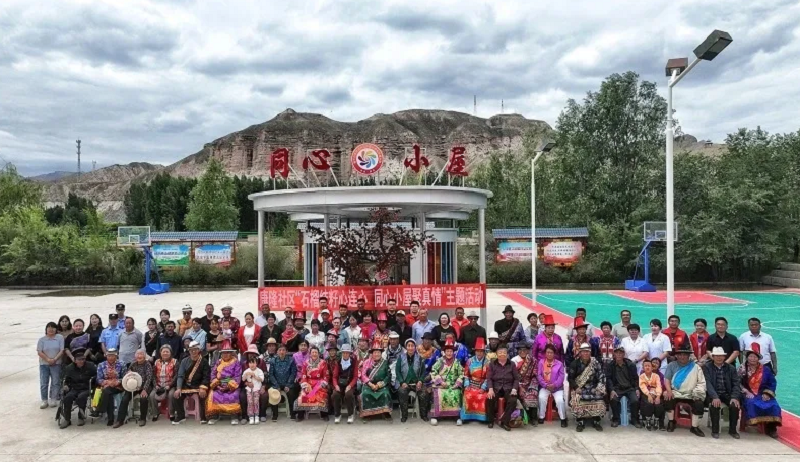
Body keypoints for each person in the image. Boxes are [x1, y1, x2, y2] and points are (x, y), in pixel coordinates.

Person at [738, 342, 781, 438]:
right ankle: (753, 421)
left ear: (758, 358)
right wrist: (746, 391)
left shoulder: (766, 369)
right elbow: (736, 382)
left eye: (755, 357)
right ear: (747, 357)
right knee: (752, 403)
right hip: (748, 393)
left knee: (773, 405)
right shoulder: (742, 368)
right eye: (750, 356)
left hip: (763, 393)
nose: (752, 359)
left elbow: (772, 383)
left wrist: (767, 393)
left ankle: (771, 428)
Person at [664, 340, 706, 437]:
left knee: (699, 404)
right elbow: (667, 380)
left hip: (691, 393)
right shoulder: (671, 365)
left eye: (684, 355)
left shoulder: (696, 367)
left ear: (688, 356)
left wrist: (697, 393)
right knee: (667, 398)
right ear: (677, 356)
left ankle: (694, 427)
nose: (682, 357)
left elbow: (701, 383)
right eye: (680, 355)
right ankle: (671, 422)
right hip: (676, 392)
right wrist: (669, 391)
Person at [703, 346, 742, 439]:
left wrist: (734, 397)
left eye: (721, 356)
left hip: (727, 393)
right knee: (715, 405)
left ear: (724, 357)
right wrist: (714, 396)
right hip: (712, 393)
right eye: (716, 356)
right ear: (713, 357)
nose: (719, 358)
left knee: (734, 405)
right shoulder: (707, 367)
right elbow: (707, 383)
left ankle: (733, 430)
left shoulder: (731, 368)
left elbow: (736, 384)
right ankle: (715, 430)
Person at [568, 343, 606, 432]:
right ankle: (580, 421)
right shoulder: (574, 363)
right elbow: (570, 378)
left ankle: (596, 420)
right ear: (580, 353)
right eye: (584, 352)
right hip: (580, 387)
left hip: (593, 387)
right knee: (577, 398)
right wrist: (576, 387)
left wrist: (599, 388)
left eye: (588, 352)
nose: (586, 353)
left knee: (599, 398)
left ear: (590, 352)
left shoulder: (595, 362)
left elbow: (601, 376)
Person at [172, 341, 211, 425]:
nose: (193, 351)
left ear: (199, 350)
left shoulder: (204, 361)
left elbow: (206, 376)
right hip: (187, 385)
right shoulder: (184, 361)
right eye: (191, 350)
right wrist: (178, 388)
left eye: (195, 349)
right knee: (176, 395)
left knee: (203, 395)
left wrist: (203, 387)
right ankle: (181, 416)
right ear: (189, 351)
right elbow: (180, 376)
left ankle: (203, 416)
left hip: (199, 385)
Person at [428, 339, 464, 426]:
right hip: (441, 385)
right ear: (444, 352)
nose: (449, 353)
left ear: (453, 352)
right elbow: (433, 371)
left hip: (453, 385)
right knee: (438, 393)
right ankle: (436, 416)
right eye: (447, 351)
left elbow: (461, 374)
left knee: (456, 393)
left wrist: (457, 384)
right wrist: (440, 382)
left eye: (451, 351)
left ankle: (457, 416)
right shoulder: (440, 361)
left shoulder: (457, 362)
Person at [58, 349, 97, 428]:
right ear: (75, 360)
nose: (81, 361)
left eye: (83, 359)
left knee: (81, 397)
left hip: (86, 387)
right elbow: (65, 379)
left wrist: (93, 384)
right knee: (67, 398)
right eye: (79, 360)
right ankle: (67, 419)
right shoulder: (69, 368)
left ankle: (81, 417)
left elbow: (96, 376)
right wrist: (66, 385)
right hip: (75, 387)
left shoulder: (90, 366)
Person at [605, 345, 641, 428]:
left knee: (635, 400)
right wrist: (611, 390)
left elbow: (635, 378)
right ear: (614, 354)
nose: (618, 355)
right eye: (617, 353)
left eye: (620, 353)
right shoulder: (610, 365)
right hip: (617, 389)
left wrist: (636, 389)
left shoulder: (630, 365)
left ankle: (634, 419)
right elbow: (608, 379)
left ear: (624, 354)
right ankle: (616, 419)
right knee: (613, 399)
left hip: (629, 388)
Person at [485, 345, 520, 431]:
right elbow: (489, 378)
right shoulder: (492, 364)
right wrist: (490, 389)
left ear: (507, 354)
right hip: (496, 387)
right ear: (496, 354)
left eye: (504, 353)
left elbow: (516, 378)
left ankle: (504, 421)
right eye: (500, 353)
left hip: (509, 388)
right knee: (490, 398)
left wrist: (514, 389)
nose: (502, 354)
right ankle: (490, 420)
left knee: (513, 400)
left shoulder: (512, 364)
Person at [116, 349, 153, 427]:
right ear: (135, 356)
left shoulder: (148, 365)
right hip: (133, 386)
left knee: (143, 398)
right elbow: (127, 376)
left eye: (141, 354)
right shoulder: (133, 364)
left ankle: (142, 419)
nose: (139, 356)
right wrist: (128, 373)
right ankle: (120, 420)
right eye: (137, 354)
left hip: (144, 386)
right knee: (125, 398)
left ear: (144, 356)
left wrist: (144, 389)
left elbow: (149, 378)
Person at [206, 348, 242, 424]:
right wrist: (217, 385)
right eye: (223, 353)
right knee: (213, 394)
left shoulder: (236, 362)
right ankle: (214, 416)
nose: (225, 355)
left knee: (234, 395)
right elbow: (213, 374)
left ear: (231, 354)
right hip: (219, 384)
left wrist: (228, 386)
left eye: (227, 353)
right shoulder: (218, 362)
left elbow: (237, 376)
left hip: (231, 386)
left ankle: (234, 416)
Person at [359, 340, 393, 422]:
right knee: (365, 394)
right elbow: (363, 375)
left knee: (385, 394)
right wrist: (371, 384)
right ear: (372, 353)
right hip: (369, 385)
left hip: (381, 385)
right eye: (375, 352)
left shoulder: (385, 363)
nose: (377, 354)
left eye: (378, 352)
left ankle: (385, 413)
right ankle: (367, 414)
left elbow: (388, 376)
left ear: (381, 353)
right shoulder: (367, 362)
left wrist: (379, 385)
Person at [295, 346, 330, 421]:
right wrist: (305, 385)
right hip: (309, 384)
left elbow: (326, 376)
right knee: (302, 396)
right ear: (310, 354)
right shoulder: (306, 363)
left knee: (322, 395)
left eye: (316, 352)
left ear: (318, 354)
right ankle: (300, 415)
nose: (314, 354)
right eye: (313, 352)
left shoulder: (323, 363)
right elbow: (303, 375)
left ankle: (324, 415)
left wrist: (322, 384)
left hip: (319, 384)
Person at [395, 338, 426, 423]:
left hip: (416, 383)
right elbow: (397, 371)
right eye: (408, 346)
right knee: (402, 392)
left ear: (415, 347)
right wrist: (402, 382)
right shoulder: (401, 357)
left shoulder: (419, 358)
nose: (410, 348)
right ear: (406, 347)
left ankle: (423, 415)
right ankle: (404, 415)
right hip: (405, 383)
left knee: (424, 393)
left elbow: (423, 371)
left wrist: (420, 381)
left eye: (412, 346)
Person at [460, 337, 489, 423]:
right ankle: (466, 417)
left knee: (482, 397)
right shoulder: (470, 361)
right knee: (468, 395)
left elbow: (488, 377)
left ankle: (481, 418)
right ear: (475, 351)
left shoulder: (488, 362)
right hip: (471, 384)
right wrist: (467, 385)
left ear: (484, 352)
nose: (479, 353)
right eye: (477, 351)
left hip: (482, 385)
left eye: (481, 351)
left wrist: (483, 388)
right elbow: (466, 375)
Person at [537, 344, 567, 427]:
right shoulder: (541, 362)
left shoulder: (559, 364)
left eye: (551, 352)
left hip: (557, 388)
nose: (549, 354)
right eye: (548, 352)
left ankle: (563, 419)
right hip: (545, 387)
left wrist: (554, 385)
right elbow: (539, 376)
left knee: (560, 400)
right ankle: (541, 416)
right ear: (545, 353)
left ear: (554, 354)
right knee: (541, 397)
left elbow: (561, 377)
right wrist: (545, 385)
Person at [238, 345, 268, 424]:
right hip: (247, 387)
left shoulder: (262, 362)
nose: (251, 355)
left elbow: (265, 376)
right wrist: (247, 383)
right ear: (247, 355)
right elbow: (242, 378)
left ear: (256, 355)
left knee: (264, 395)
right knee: (242, 396)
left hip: (259, 385)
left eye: (253, 353)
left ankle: (262, 415)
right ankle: (245, 416)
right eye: (250, 353)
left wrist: (263, 386)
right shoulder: (244, 364)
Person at [95, 348, 125, 426]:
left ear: (116, 356)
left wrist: (117, 382)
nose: (111, 358)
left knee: (106, 391)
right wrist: (107, 382)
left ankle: (100, 410)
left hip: (118, 387)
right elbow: (99, 379)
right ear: (106, 356)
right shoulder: (101, 365)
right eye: (109, 356)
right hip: (106, 386)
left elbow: (125, 377)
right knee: (108, 393)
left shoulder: (122, 364)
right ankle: (110, 419)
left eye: (112, 356)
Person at [37, 322, 64, 408]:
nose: (51, 329)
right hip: (44, 364)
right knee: (44, 382)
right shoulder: (42, 340)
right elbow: (39, 352)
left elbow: (62, 350)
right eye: (49, 327)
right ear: (46, 329)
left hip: (56, 363)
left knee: (55, 382)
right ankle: (44, 400)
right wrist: (48, 359)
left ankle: (53, 399)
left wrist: (55, 359)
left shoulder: (60, 338)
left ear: (56, 329)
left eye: (53, 327)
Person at [268, 343, 298, 421]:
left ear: (286, 351)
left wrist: (288, 384)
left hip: (288, 383)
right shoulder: (273, 361)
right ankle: (275, 414)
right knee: (273, 393)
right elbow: (271, 374)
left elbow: (293, 373)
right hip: (276, 383)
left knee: (292, 393)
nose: (281, 352)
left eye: (283, 350)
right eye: (280, 350)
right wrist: (276, 385)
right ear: (277, 352)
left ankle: (292, 413)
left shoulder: (291, 360)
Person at [511, 341, 538, 424]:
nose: (522, 352)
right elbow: (512, 377)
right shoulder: (514, 361)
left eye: (524, 350)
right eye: (520, 350)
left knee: (533, 393)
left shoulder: (533, 360)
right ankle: (523, 416)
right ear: (517, 351)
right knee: (518, 394)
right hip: (517, 384)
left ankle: (533, 418)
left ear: (528, 351)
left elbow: (535, 375)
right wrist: (519, 387)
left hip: (530, 384)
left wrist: (532, 386)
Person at [331, 344, 359, 424]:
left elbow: (355, 377)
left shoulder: (354, 362)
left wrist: (350, 386)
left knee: (349, 395)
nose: (345, 354)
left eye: (347, 353)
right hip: (340, 384)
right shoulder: (338, 362)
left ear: (350, 353)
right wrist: (336, 385)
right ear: (342, 353)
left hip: (350, 384)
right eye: (344, 353)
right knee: (335, 394)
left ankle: (350, 414)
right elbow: (334, 377)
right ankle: (337, 414)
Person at [150, 344, 177, 422]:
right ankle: (155, 413)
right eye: (163, 352)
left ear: (170, 353)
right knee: (151, 395)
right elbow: (153, 375)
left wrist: (170, 385)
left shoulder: (175, 361)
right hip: (158, 385)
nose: (165, 353)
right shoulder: (156, 362)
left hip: (170, 385)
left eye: (167, 352)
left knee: (171, 395)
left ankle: (171, 413)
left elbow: (176, 375)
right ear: (160, 353)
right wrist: (155, 385)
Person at [639, 359, 665, 431]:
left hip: (656, 393)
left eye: (649, 366)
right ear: (643, 367)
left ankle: (657, 420)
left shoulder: (657, 376)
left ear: (652, 367)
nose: (647, 367)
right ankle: (648, 420)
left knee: (659, 404)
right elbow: (643, 387)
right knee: (648, 404)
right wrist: (649, 395)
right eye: (645, 366)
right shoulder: (642, 376)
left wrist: (658, 396)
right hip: (646, 394)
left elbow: (659, 386)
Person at [242, 355, 265, 425]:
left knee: (256, 402)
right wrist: (246, 375)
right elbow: (243, 379)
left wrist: (255, 376)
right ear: (248, 364)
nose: (252, 365)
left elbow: (261, 379)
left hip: (257, 389)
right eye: (250, 363)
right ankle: (251, 416)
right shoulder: (246, 371)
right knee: (250, 402)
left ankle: (257, 415)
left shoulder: (259, 371)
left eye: (253, 363)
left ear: (256, 363)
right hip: (249, 389)